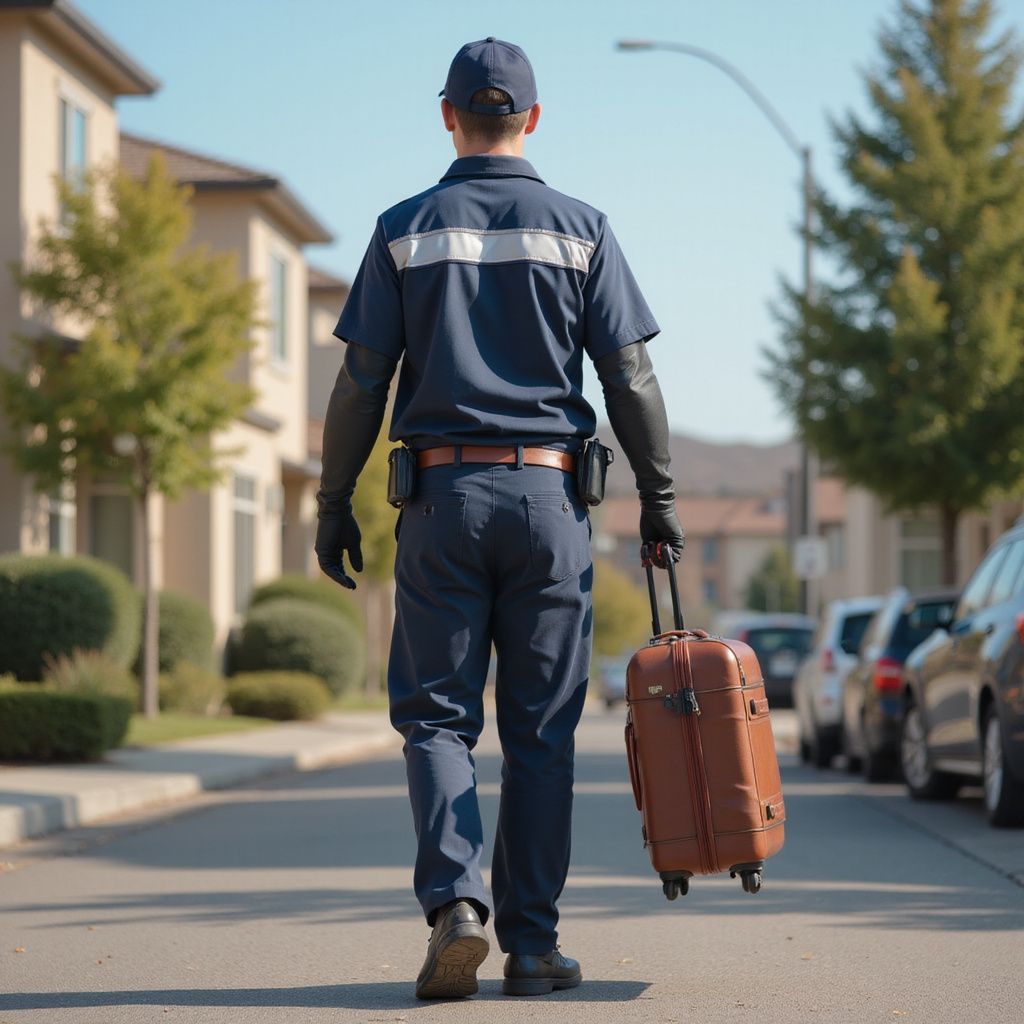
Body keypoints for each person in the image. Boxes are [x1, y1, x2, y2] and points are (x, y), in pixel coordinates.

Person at [314, 37, 684, 1000]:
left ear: (446, 116)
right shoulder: (582, 227)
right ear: (533, 118)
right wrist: (661, 496)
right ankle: (532, 945)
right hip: (551, 502)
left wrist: (331, 500)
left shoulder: (402, 229)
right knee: (541, 732)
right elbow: (630, 375)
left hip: (438, 501)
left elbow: (362, 380)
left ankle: (455, 907)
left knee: (437, 721)